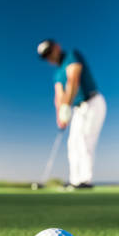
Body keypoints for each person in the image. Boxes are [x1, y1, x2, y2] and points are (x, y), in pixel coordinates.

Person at [37, 39, 106, 189]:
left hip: (92, 102)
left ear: (57, 47)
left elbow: (73, 80)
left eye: (49, 52)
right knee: (72, 144)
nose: (49, 57)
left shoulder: (71, 56)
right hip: (77, 109)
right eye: (45, 56)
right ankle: (75, 181)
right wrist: (60, 117)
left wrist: (66, 107)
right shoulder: (57, 75)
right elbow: (59, 97)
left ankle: (85, 180)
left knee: (84, 141)